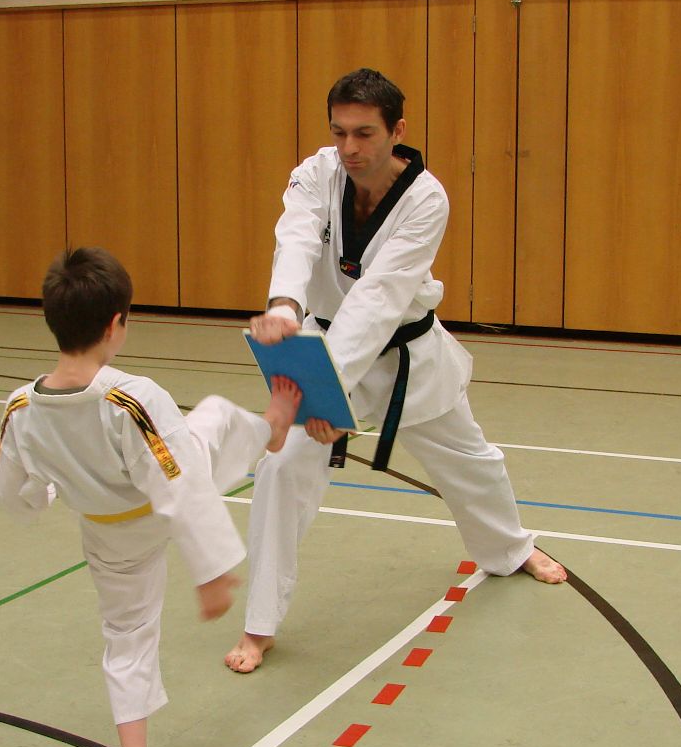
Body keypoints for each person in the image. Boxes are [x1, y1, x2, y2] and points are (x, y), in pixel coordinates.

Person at [226, 67, 566, 674]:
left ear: (397, 131)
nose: (349, 147)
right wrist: (283, 307)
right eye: (339, 132)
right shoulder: (316, 173)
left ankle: (509, 550)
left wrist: (329, 392)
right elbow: (295, 238)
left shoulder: (426, 199)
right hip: (326, 345)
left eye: (364, 133)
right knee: (282, 467)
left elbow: (379, 298)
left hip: (405, 352)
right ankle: (260, 623)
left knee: (471, 461)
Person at [0, 247, 300, 747]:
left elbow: (11, 490)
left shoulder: (20, 408)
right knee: (213, 419)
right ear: (116, 324)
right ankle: (272, 424)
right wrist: (212, 572)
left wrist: (46, 492)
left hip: (108, 533)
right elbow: (183, 484)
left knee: (126, 636)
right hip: (156, 502)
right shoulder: (131, 398)